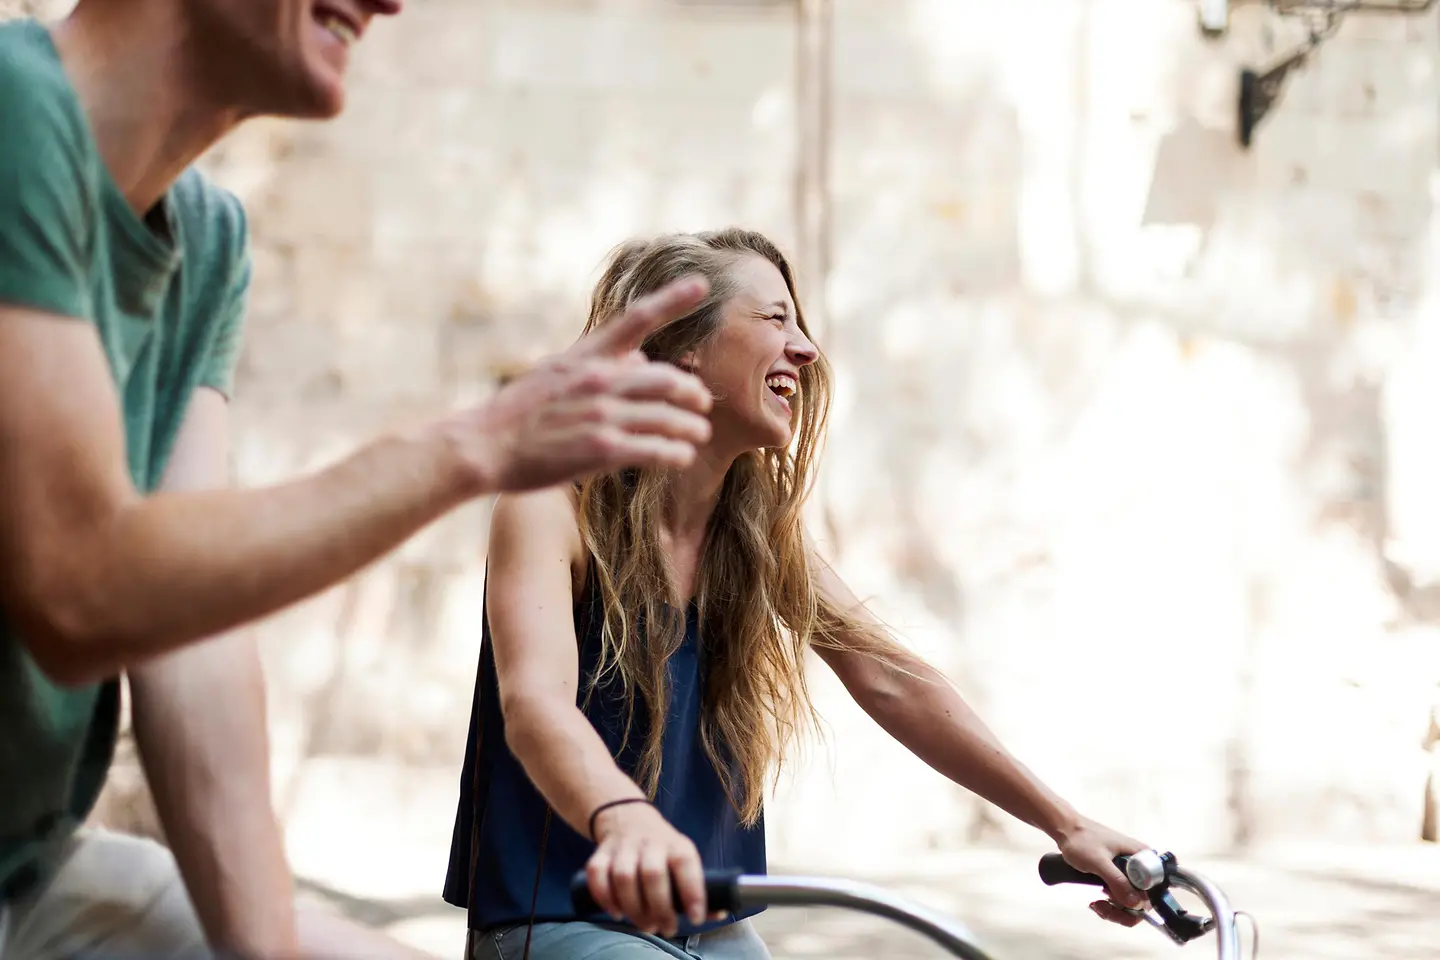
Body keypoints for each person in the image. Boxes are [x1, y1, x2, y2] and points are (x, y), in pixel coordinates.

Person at [0, 1, 718, 958]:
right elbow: (79, 590)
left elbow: (193, 648)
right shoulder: (15, 112)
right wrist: (472, 449)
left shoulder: (207, 243)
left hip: (29, 865)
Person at [443, 228, 1153, 960]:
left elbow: (887, 678)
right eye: (775, 319)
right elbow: (535, 707)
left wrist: (1064, 824)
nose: (806, 349)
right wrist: (623, 817)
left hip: (712, 926)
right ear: (685, 344)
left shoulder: (753, 534)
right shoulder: (552, 505)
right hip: (565, 916)